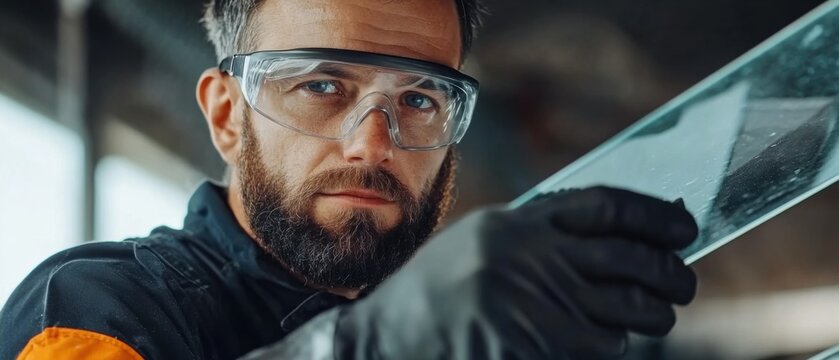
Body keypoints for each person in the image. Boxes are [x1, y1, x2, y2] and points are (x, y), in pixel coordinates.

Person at [0, 0, 698, 359]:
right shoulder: (97, 307)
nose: (372, 143)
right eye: (320, 85)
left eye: (419, 100)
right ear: (225, 116)